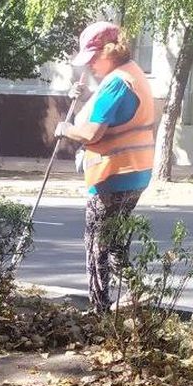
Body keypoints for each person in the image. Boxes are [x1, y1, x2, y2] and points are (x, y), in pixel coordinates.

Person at [54, 21, 155, 312]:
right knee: (113, 242)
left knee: (96, 243)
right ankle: (139, 293)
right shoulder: (132, 74)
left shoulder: (115, 84)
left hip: (113, 173)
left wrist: (64, 128)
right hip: (136, 172)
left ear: (111, 51)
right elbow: (115, 113)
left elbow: (90, 133)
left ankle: (99, 311)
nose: (92, 66)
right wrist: (86, 97)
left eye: (94, 58)